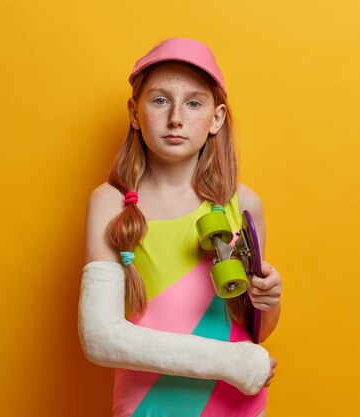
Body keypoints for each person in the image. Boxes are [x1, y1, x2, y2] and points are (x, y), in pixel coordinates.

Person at [79, 37, 283, 417]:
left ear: (216, 118)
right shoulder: (109, 202)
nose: (176, 117)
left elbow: (254, 330)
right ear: (134, 113)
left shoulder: (245, 204)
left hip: (232, 400)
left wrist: (268, 302)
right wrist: (232, 362)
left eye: (193, 103)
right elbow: (99, 338)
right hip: (147, 403)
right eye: (159, 100)